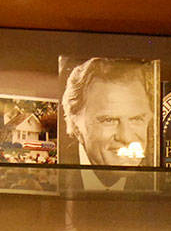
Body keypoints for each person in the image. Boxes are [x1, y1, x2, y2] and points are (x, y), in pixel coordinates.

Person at [61, 57, 155, 189]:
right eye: (109, 120)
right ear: (76, 126)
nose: (126, 137)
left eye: (136, 119)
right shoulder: (56, 178)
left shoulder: (153, 184)